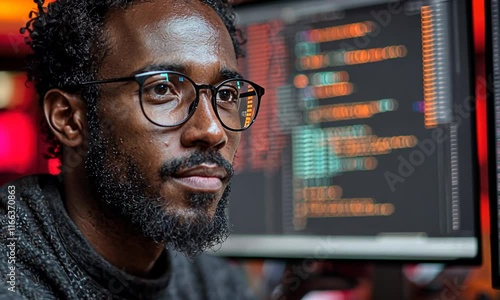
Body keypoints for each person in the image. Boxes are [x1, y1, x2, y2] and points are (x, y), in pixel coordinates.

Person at [0, 0, 264, 298]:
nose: (212, 130)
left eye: (227, 94)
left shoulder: (213, 282)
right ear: (69, 119)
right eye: (162, 89)